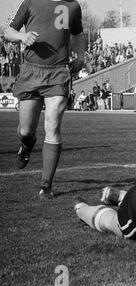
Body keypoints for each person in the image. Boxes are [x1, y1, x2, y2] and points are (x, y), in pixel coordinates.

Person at [4, 0, 84, 200]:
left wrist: (81, 56)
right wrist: (22, 36)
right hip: (31, 71)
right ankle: (27, 143)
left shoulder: (73, 6)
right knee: (25, 130)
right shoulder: (30, 2)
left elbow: (78, 34)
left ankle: (46, 186)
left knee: (53, 123)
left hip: (59, 73)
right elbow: (7, 31)